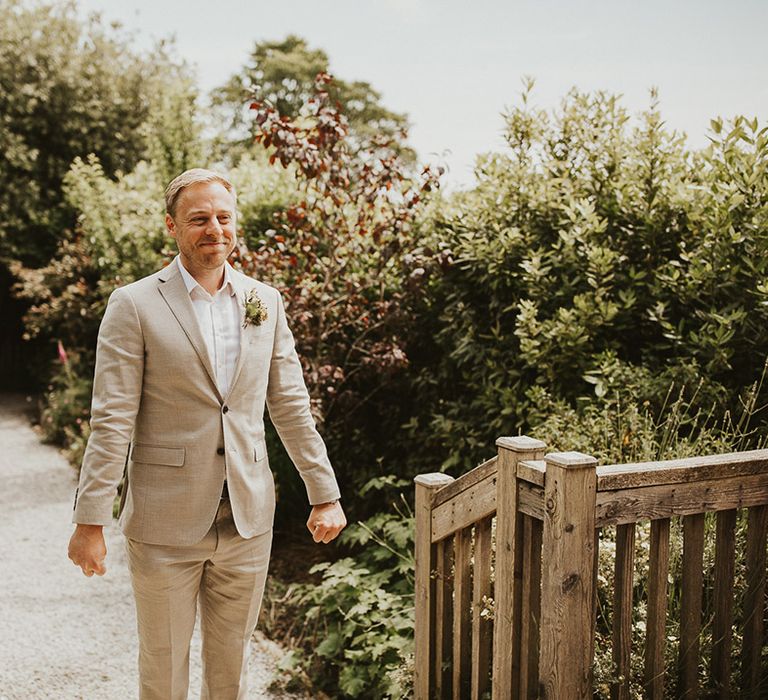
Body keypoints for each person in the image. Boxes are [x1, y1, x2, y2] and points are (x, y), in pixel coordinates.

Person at [67, 168, 346, 700]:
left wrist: (324, 492)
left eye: (223, 217)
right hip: (163, 522)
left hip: (247, 518)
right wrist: (90, 519)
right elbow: (112, 418)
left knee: (232, 666)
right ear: (172, 226)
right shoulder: (135, 304)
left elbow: (289, 403)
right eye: (198, 219)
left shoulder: (266, 300)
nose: (213, 228)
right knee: (164, 665)